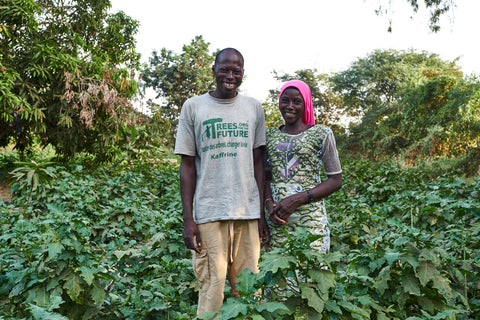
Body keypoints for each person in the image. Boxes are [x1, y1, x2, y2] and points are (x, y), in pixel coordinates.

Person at [174, 48, 270, 314]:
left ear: (242, 73)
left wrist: (260, 213)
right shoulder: (193, 107)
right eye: (225, 69)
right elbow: (187, 165)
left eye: (236, 71)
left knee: (249, 288)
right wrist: (188, 219)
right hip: (209, 212)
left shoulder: (253, 107)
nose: (230, 75)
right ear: (213, 70)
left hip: (247, 212)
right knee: (211, 288)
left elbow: (257, 163)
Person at [265, 80, 342, 254]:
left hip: (311, 222)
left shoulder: (322, 133)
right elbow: (265, 176)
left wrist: (297, 199)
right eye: (285, 100)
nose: (290, 106)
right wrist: (269, 205)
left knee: (311, 274)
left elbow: (336, 180)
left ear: (305, 103)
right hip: (277, 220)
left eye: (297, 101)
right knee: (281, 276)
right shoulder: (269, 135)